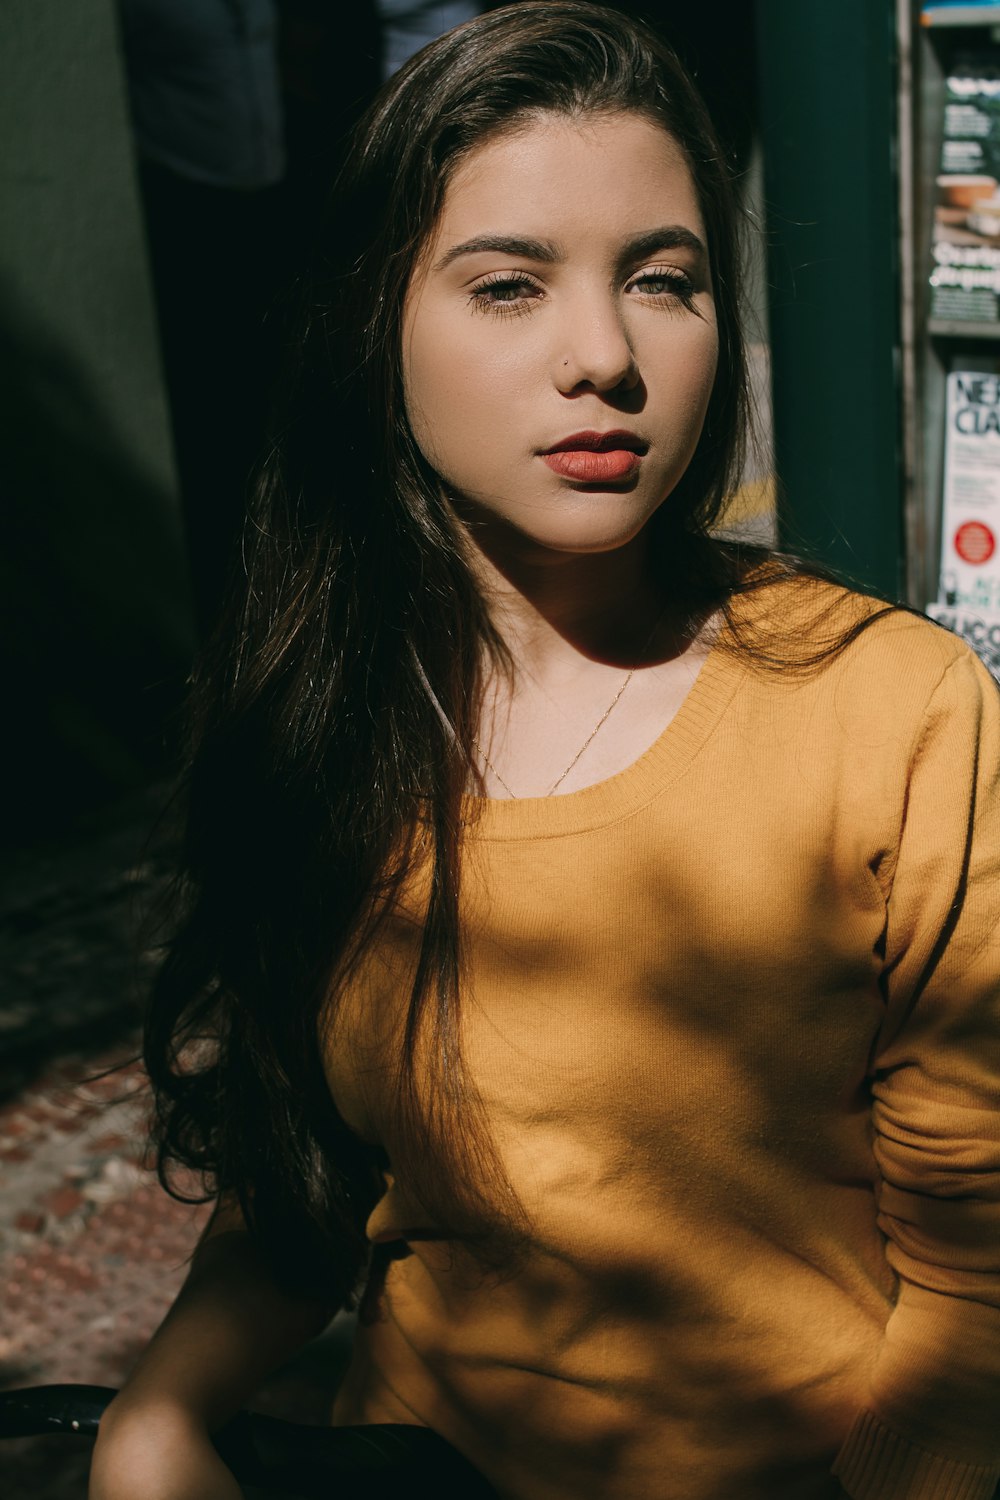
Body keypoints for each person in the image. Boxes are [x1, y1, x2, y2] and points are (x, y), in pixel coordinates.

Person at [89, 4, 1000, 1498]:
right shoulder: (334, 706)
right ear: (375, 323)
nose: (605, 357)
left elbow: (977, 1290)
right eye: (509, 286)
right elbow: (310, 1176)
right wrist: (162, 1409)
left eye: (665, 281)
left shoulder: (893, 709)